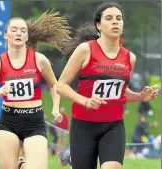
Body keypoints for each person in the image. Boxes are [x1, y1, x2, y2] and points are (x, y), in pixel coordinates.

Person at [56, 2, 159, 169]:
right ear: (99, 25)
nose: (115, 22)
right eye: (109, 18)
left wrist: (140, 96)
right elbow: (61, 86)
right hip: (84, 124)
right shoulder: (85, 50)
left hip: (113, 125)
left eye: (119, 18)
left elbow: (120, 93)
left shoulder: (129, 58)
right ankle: (71, 153)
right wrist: (85, 101)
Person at [0, 11, 71, 169]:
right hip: (9, 120)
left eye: (22, 30)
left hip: (34, 121)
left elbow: (55, 85)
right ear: (6, 35)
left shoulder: (39, 60)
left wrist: (55, 107)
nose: (18, 33)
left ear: (27, 36)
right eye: (14, 30)